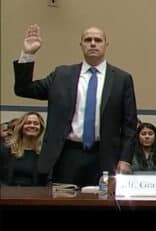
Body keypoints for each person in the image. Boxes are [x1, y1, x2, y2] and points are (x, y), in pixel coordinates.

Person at [13, 24, 138, 187]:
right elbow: (24, 89)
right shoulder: (62, 75)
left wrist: (125, 159)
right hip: (67, 153)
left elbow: (130, 124)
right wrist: (28, 54)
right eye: (88, 40)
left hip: (105, 156)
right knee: (64, 204)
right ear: (81, 45)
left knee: (103, 205)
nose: (93, 43)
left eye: (98, 40)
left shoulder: (122, 79)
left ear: (106, 45)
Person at [0, 112, 46, 186]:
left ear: (41, 128)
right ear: (21, 126)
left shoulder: (45, 153)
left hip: (35, 195)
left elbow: (48, 181)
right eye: (28, 123)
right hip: (7, 194)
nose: (32, 125)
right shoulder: (5, 149)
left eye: (36, 123)